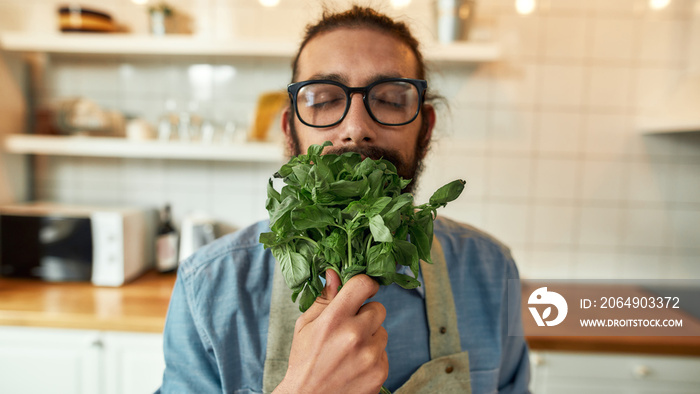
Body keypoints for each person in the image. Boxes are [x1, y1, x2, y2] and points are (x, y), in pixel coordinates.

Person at [158, 6, 530, 393]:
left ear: (425, 129)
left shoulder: (490, 271)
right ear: (289, 130)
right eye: (323, 99)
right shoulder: (208, 288)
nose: (355, 128)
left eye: (389, 99)